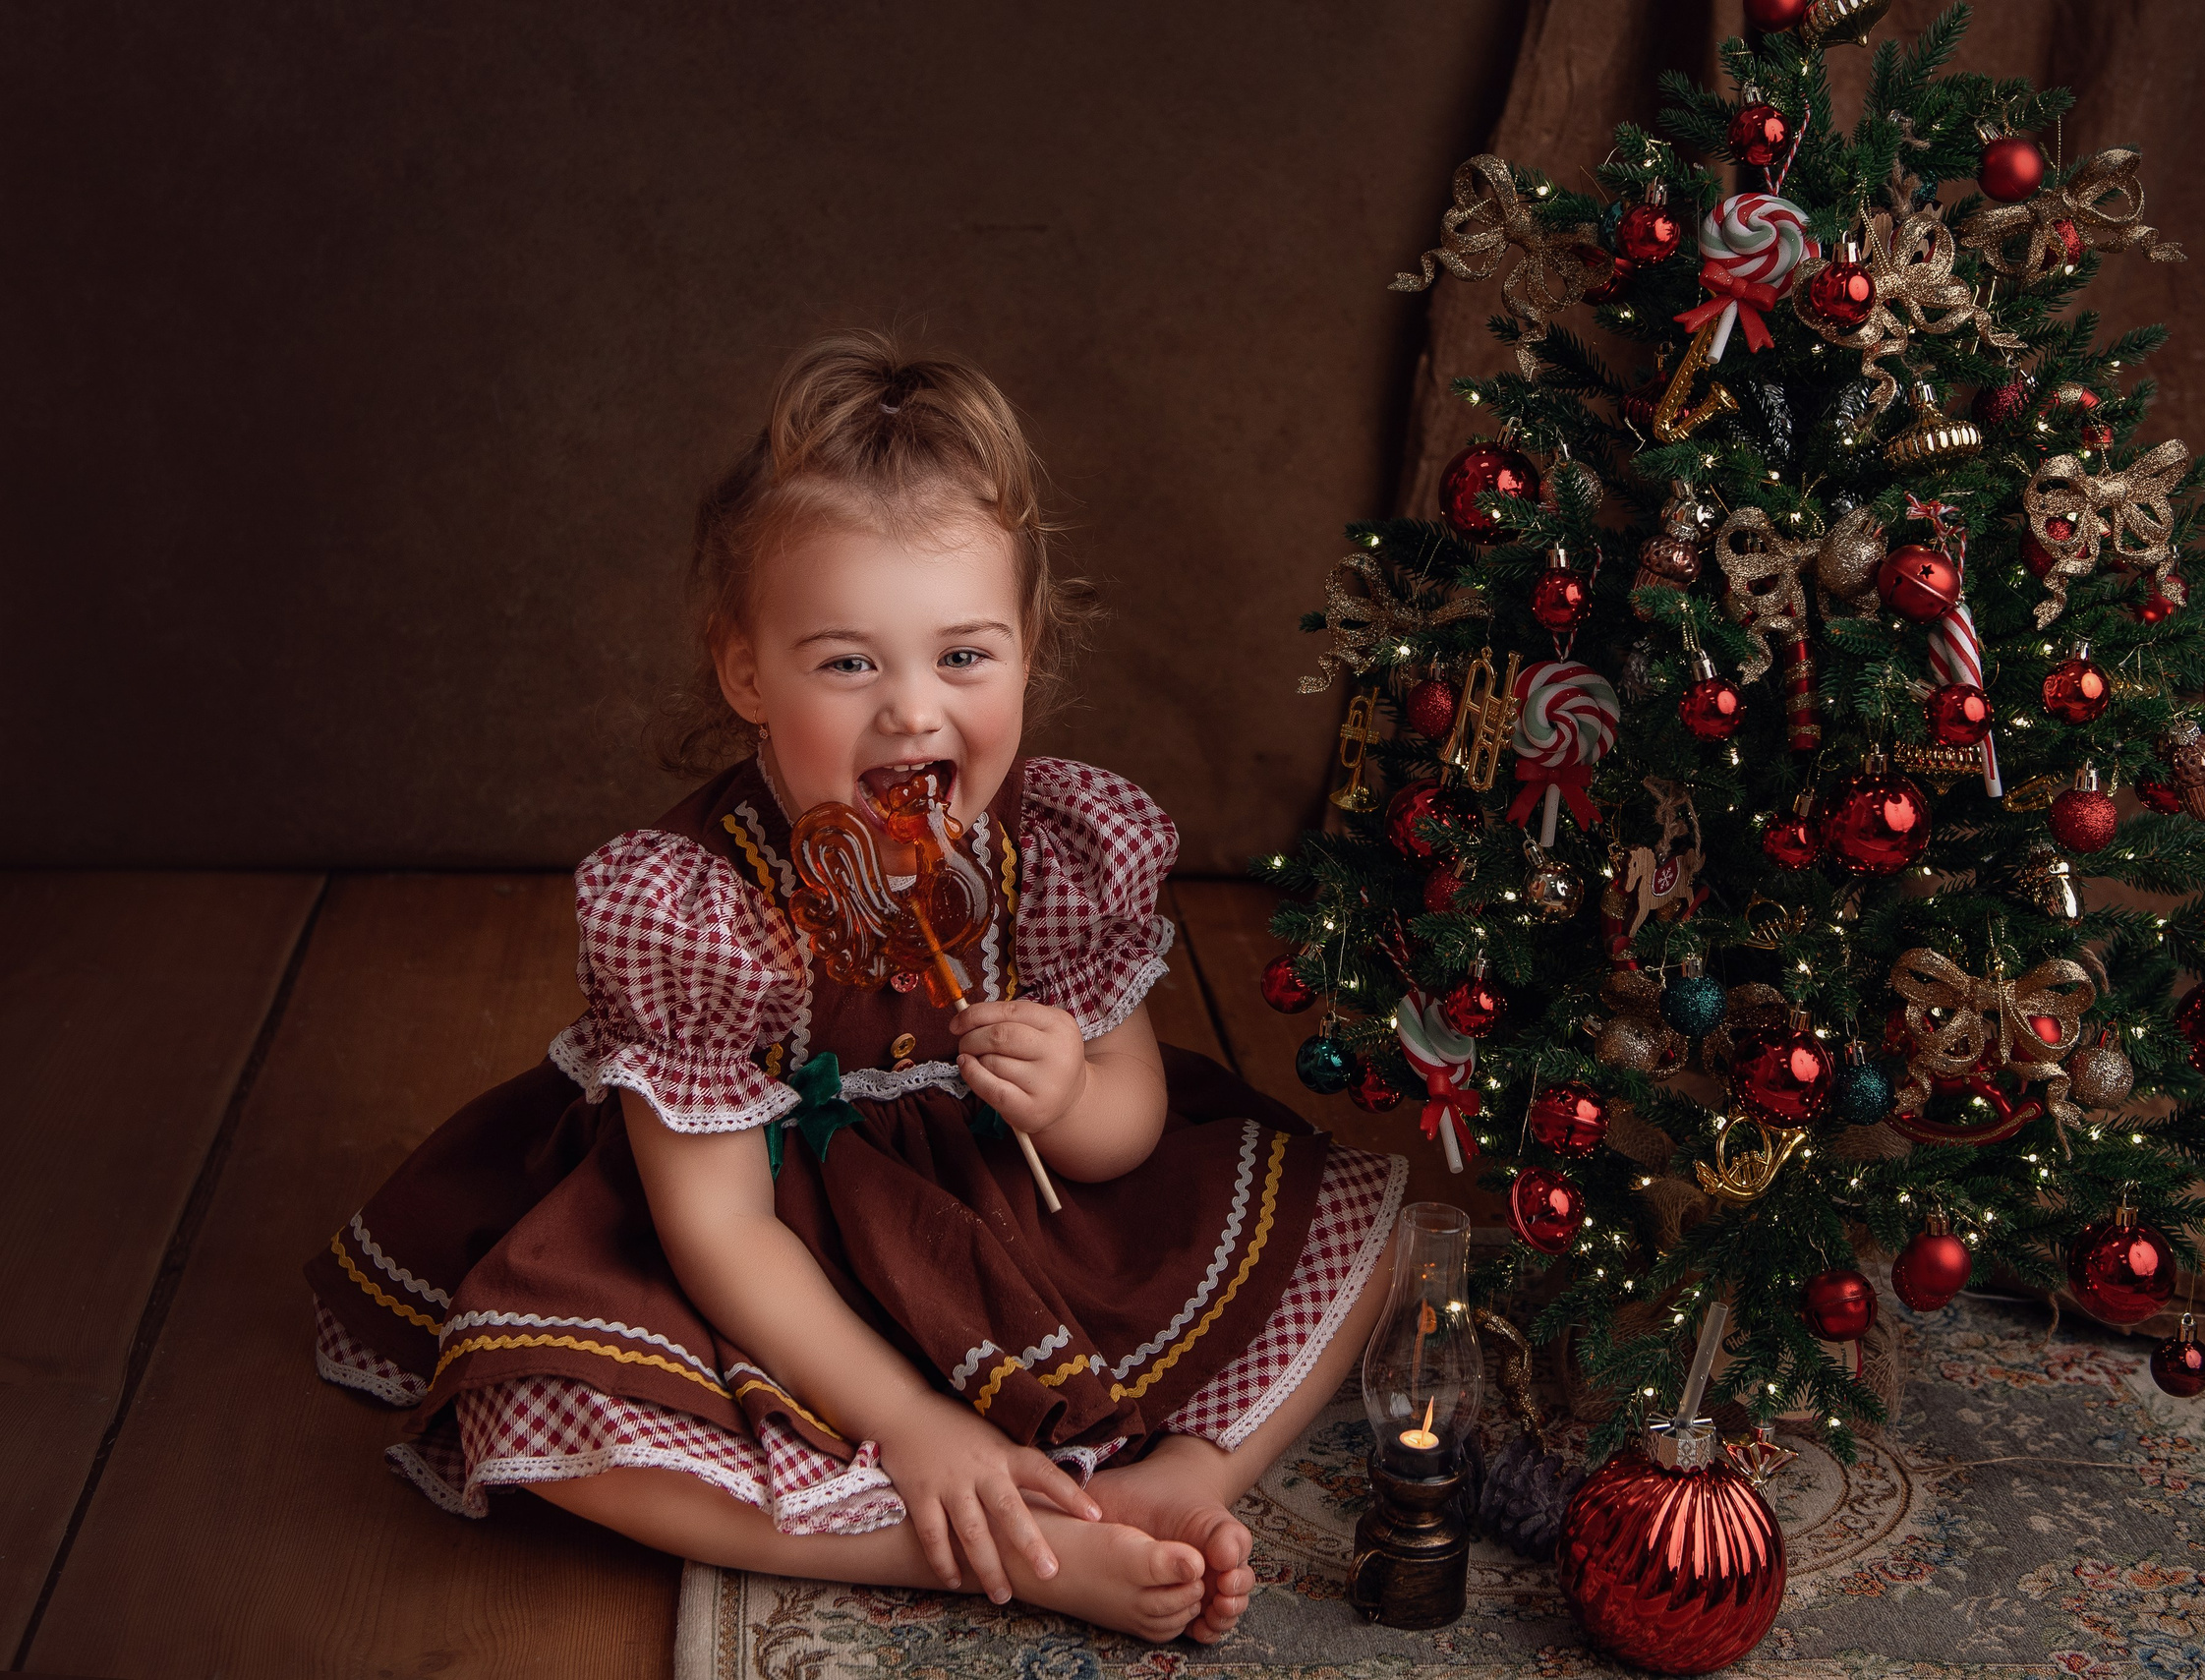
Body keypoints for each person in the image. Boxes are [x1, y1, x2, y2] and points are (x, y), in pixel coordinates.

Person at [306, 331, 1404, 1644]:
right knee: (547, 1418)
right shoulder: (696, 904)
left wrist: (1066, 1093)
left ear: (1030, 647)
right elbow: (720, 1233)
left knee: (1370, 1233)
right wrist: (919, 1427)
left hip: (1002, 1228)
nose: (911, 712)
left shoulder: (1052, 855)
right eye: (847, 662)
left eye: (963, 656)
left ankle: (1181, 1479)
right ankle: (966, 1546)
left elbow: (1131, 1130)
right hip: (769, 1252)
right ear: (744, 670)